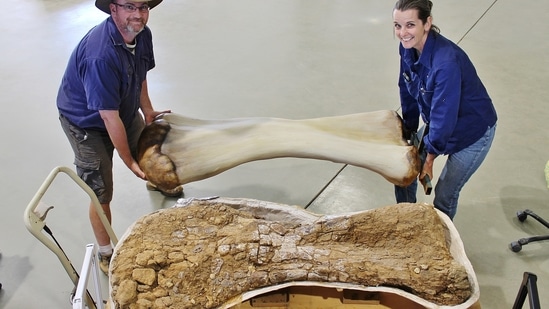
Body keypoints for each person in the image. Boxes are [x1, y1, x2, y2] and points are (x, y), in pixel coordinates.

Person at [57, 0, 182, 274]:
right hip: (87, 124)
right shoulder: (99, 55)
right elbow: (108, 118)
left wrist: (147, 110)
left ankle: (154, 182)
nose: (138, 14)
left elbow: (140, 75)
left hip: (120, 107)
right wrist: (130, 162)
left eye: (143, 7)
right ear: (113, 9)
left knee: (151, 150)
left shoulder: (140, 32)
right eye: (129, 6)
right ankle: (106, 251)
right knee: (101, 190)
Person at [392, 0, 497, 220]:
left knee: (444, 195)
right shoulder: (407, 48)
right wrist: (408, 132)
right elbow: (406, 88)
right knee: (403, 170)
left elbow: (443, 115)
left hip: (472, 131)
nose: (402, 33)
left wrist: (429, 158)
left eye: (410, 25)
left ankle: (441, 242)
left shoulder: (445, 63)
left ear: (427, 23)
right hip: (441, 122)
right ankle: (406, 221)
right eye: (397, 26)